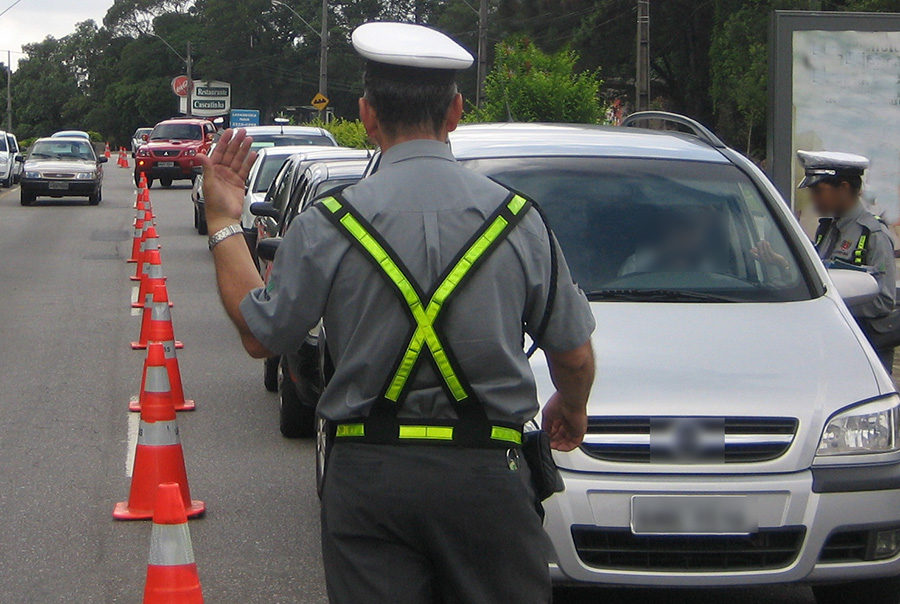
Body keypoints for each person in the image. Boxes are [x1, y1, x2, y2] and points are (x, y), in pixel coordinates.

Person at [198, 21, 596, 604]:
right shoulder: (519, 220)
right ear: (457, 111)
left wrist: (222, 222)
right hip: (489, 478)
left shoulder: (328, 221)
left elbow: (263, 335)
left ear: (367, 115)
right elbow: (574, 355)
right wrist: (572, 405)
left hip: (369, 477)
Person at [799, 150, 898, 371]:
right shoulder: (829, 229)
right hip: (835, 345)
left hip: (865, 352)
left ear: (843, 188)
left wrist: (835, 306)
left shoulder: (873, 234)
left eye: (818, 191)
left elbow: (884, 300)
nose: (813, 198)